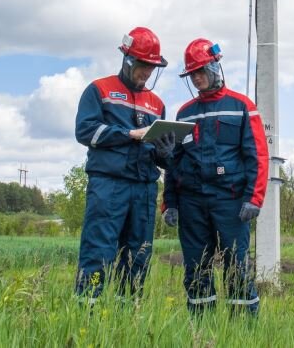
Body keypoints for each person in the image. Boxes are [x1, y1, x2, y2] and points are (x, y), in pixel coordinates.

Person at [162, 38, 269, 316]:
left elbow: (257, 155)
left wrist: (254, 198)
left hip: (230, 202)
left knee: (237, 265)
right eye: (192, 74)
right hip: (192, 203)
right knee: (196, 266)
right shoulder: (184, 114)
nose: (197, 78)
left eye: (200, 72)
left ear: (214, 67)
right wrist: (170, 202)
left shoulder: (242, 106)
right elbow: (174, 161)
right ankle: (201, 327)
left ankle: (242, 330)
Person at [73, 27, 177, 305]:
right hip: (108, 185)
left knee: (138, 253)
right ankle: (87, 307)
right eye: (143, 66)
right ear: (127, 60)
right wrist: (127, 134)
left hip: (143, 189)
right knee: (99, 249)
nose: (146, 73)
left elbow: (159, 154)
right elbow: (85, 131)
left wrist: (166, 153)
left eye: (151, 68)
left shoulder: (157, 105)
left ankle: (127, 310)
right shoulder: (99, 90)